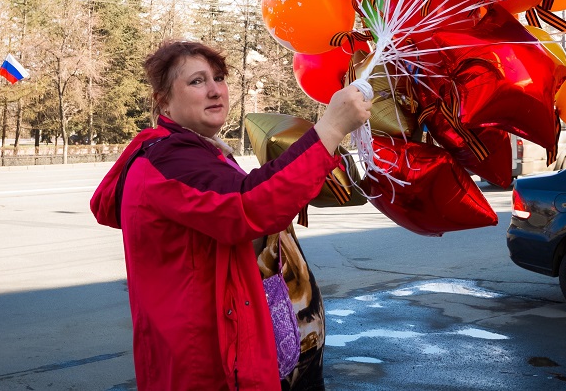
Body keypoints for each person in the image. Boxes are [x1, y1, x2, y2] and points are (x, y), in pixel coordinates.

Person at [90, 40, 371, 391]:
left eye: (219, 78)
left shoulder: (202, 152)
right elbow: (249, 205)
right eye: (196, 81)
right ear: (163, 99)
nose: (214, 90)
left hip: (265, 358)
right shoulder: (170, 160)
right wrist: (328, 129)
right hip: (214, 369)